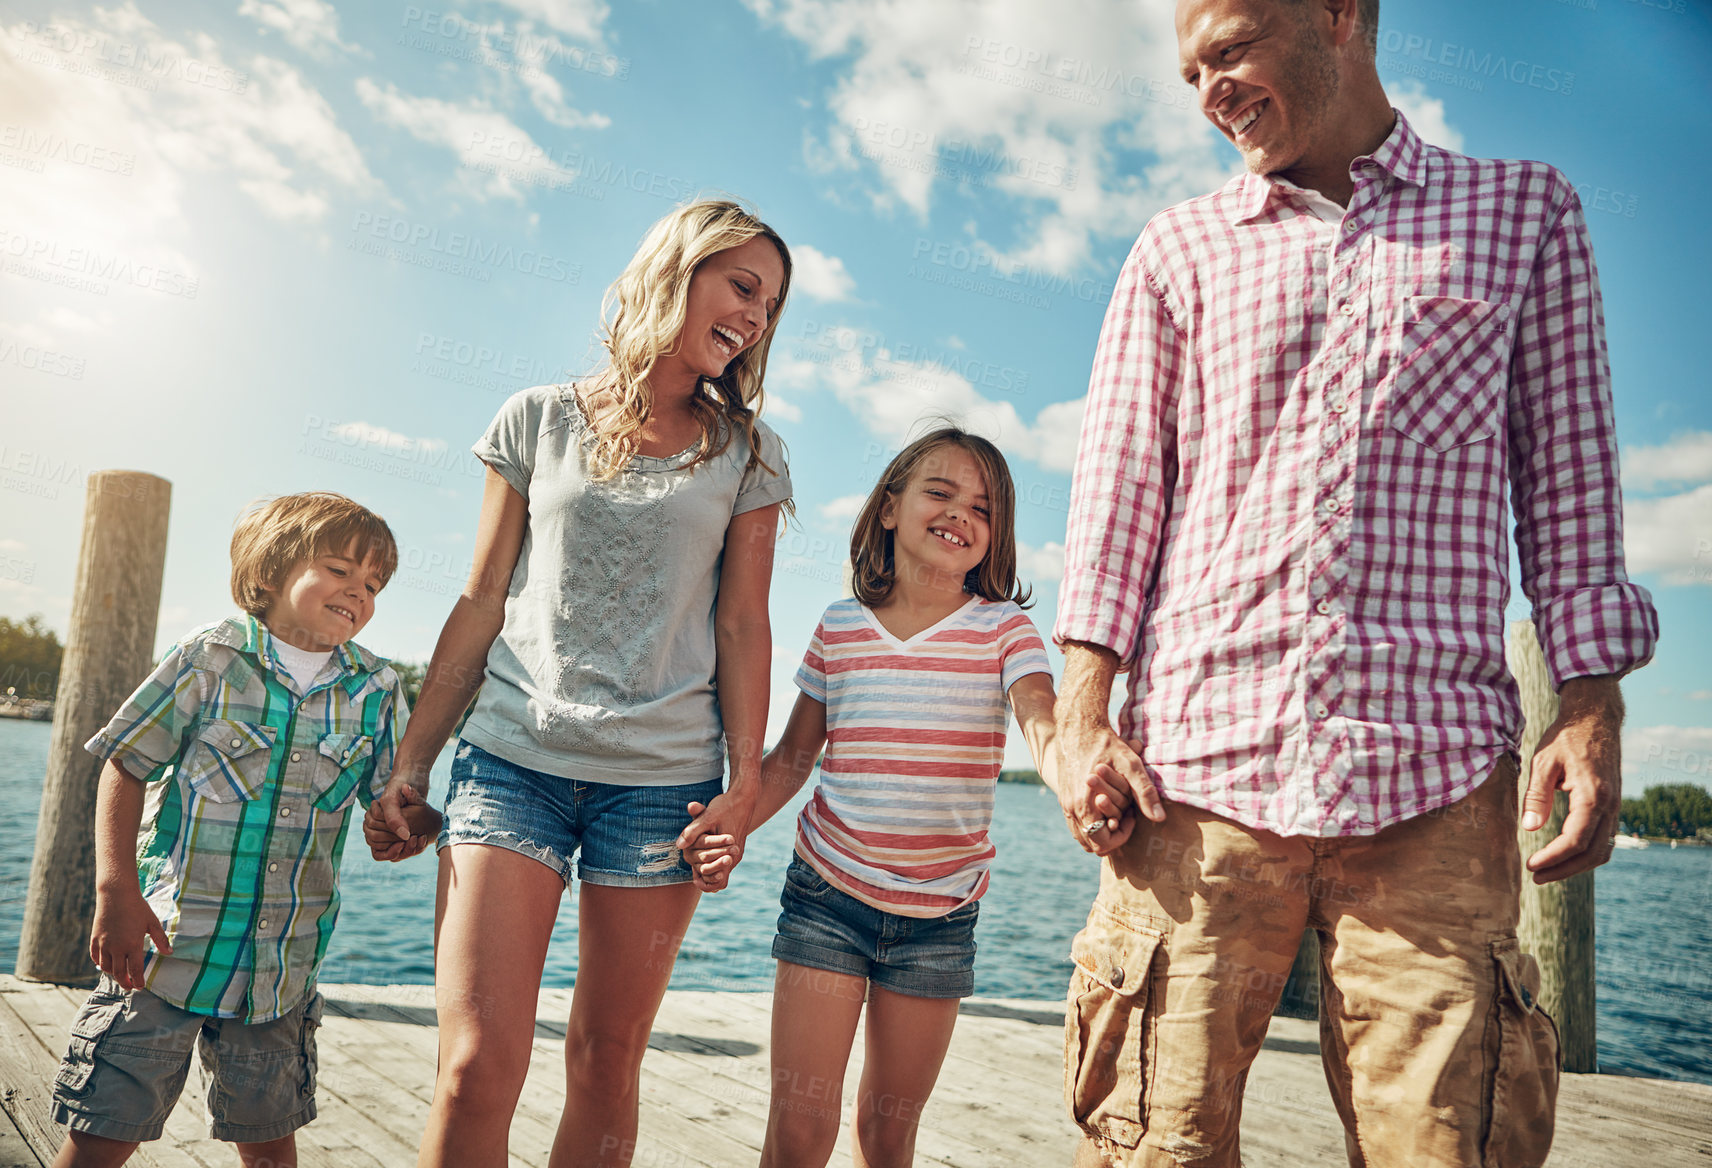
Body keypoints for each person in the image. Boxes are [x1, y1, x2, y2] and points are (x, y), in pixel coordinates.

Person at [1052, 1, 1658, 1166]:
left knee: (1448, 1146)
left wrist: (1586, 705)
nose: (1207, 93)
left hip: (1434, 780)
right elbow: (1116, 498)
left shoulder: (1524, 215)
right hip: (1191, 779)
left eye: (1226, 50)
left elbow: (1568, 475)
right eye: (1188, 74)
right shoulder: (1174, 249)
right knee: (1151, 1144)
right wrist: (1083, 719)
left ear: (1338, 15)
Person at [364, 198, 793, 1168]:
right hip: (510, 761)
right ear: (675, 271)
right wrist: (411, 763)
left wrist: (742, 784)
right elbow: (479, 600)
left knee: (605, 1061)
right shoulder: (534, 417)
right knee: (476, 1064)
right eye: (741, 285)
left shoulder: (750, 456)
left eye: (768, 303)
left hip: (660, 791)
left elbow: (741, 625)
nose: (755, 315)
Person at [686, 427, 1097, 1168]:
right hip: (827, 899)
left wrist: (1076, 778)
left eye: (984, 507)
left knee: (885, 1135)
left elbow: (1043, 720)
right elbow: (791, 759)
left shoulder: (1006, 629)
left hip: (939, 918)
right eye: (940, 492)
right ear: (888, 508)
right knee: (801, 1131)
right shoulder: (841, 626)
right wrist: (733, 821)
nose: (961, 515)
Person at [49, 492, 435, 1168]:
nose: (358, 591)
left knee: (269, 1145)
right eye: (340, 569)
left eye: (372, 584)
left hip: (281, 972)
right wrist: (115, 891)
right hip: (165, 957)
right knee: (101, 1135)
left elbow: (390, 804)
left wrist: (410, 823)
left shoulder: (376, 688)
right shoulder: (209, 659)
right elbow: (126, 763)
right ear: (270, 570)